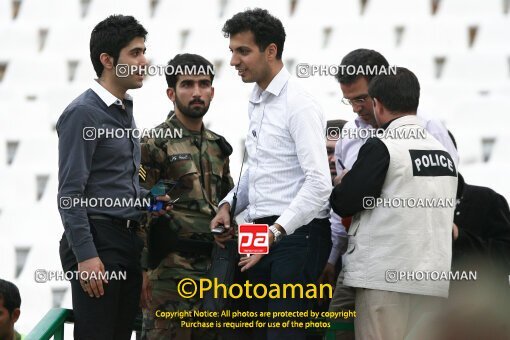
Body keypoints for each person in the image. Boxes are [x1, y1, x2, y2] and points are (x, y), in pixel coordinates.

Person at [211, 8, 332, 340]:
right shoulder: (256, 99)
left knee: (283, 336)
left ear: (271, 51)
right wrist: (227, 206)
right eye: (232, 51)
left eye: (243, 51)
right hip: (257, 230)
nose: (234, 61)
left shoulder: (300, 104)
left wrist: (274, 233)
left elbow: (320, 184)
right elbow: (258, 167)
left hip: (296, 233)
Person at [327, 49, 459, 339]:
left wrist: (346, 181)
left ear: (378, 98)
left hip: (383, 274)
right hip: (429, 274)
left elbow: (345, 201)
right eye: (348, 101)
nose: (355, 108)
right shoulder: (438, 148)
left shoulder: (385, 145)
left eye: (362, 99)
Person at [57, 15, 165, 339]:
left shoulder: (123, 108)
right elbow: (69, 193)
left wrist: (151, 200)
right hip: (99, 242)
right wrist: (86, 256)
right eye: (134, 53)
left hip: (126, 242)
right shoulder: (83, 112)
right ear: (107, 60)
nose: (144, 61)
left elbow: (112, 183)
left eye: (143, 51)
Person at [139, 53, 235, 340]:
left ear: (212, 92)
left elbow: (228, 202)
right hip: (169, 271)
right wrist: (141, 269)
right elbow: (141, 209)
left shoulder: (219, 147)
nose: (197, 92)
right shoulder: (154, 143)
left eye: (204, 84)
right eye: (187, 84)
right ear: (171, 92)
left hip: (214, 270)